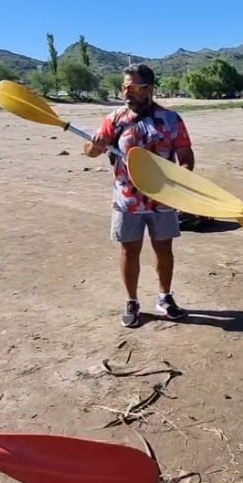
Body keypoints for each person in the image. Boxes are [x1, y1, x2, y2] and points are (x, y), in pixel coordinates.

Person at [83, 64, 195, 328]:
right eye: (124, 87)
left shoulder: (171, 120)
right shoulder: (114, 120)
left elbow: (186, 156)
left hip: (163, 200)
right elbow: (89, 151)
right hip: (127, 201)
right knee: (129, 251)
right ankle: (132, 301)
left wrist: (182, 184)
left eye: (133, 87)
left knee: (164, 250)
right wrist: (96, 145)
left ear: (149, 89)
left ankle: (165, 298)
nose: (127, 92)